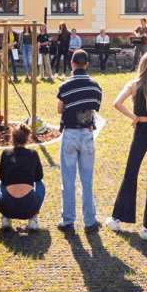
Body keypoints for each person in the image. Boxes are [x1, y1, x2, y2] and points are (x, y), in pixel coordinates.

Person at [104, 53, 147, 239]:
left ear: (141, 66)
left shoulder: (133, 86)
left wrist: (134, 117)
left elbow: (116, 103)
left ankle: (117, 219)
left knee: (131, 172)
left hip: (141, 131)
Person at [56, 48, 102, 232]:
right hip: (88, 135)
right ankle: (90, 221)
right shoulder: (95, 86)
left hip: (70, 134)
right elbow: (95, 107)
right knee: (87, 179)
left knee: (68, 179)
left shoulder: (65, 86)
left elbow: (60, 110)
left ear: (72, 64)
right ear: (87, 65)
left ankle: (68, 222)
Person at [0, 124, 46, 229]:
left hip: (7, 207)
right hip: (29, 208)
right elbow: (39, 177)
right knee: (40, 184)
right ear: (27, 138)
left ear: (12, 138)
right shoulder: (33, 153)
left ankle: (6, 218)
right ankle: (33, 219)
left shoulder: (6, 153)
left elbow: (2, 178)